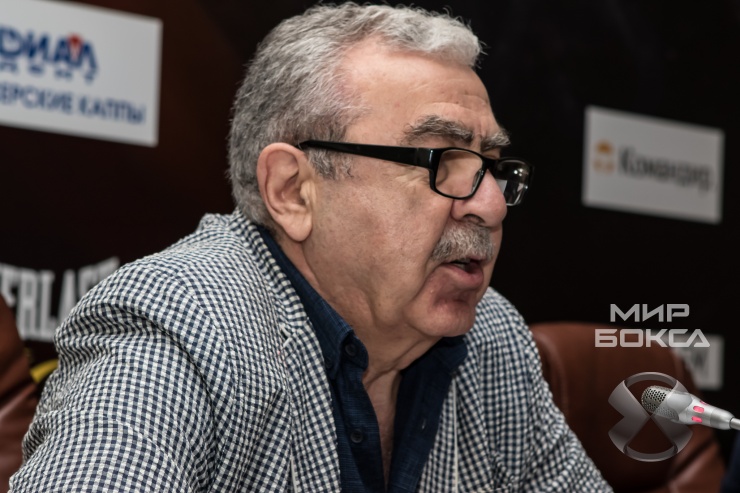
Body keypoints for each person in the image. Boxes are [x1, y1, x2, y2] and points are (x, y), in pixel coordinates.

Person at [10, 3, 611, 491]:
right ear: (293, 191)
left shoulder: (492, 339)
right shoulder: (181, 319)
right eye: (440, 161)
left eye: (493, 165)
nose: (491, 205)